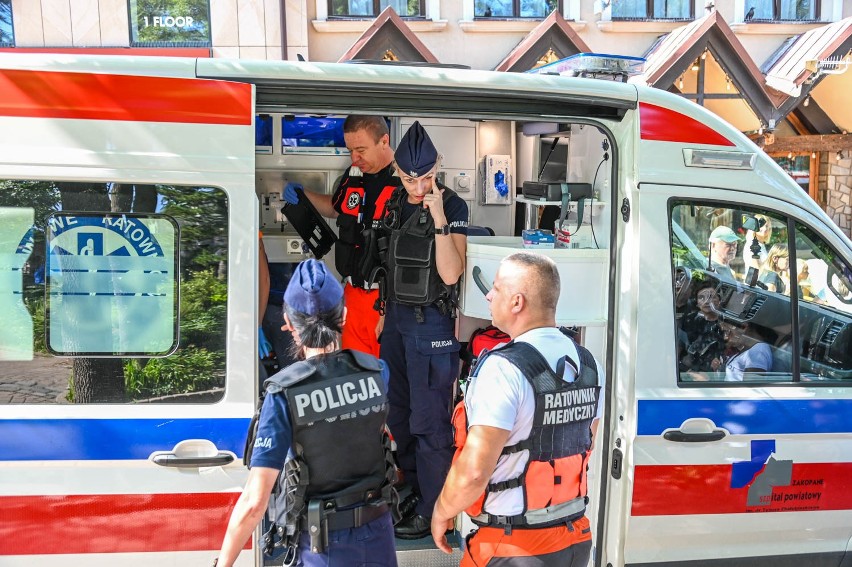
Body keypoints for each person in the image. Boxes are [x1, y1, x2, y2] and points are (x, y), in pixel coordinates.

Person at [214, 259, 398, 567]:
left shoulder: (284, 393)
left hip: (324, 547)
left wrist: (224, 563)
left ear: (287, 321)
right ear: (345, 315)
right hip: (379, 537)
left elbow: (255, 501)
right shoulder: (378, 371)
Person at [431, 251, 604, 566]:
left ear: (517, 302)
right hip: (574, 540)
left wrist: (443, 511)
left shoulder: (503, 369)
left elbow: (473, 472)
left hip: (514, 547)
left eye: (496, 288)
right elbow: (585, 440)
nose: (489, 295)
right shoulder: (588, 364)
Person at [377, 121, 468, 539]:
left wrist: (438, 219)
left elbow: (451, 275)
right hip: (396, 322)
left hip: (431, 325)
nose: (418, 187)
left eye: (427, 177)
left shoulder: (453, 206)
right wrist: (383, 310)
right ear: (396, 170)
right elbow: (389, 261)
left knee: (430, 423)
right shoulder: (394, 201)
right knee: (399, 415)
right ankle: (414, 488)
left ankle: (436, 511)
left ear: (439, 168)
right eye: (411, 178)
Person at [282, 115, 400, 358]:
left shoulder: (406, 180)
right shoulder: (353, 174)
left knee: (387, 378)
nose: (354, 158)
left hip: (388, 300)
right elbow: (338, 209)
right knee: (355, 374)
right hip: (353, 296)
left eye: (361, 150)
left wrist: (391, 309)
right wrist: (304, 194)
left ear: (384, 141)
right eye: (350, 150)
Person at [679, 279, 725, 374]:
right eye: (701, 297)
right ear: (697, 303)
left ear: (719, 300)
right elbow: (677, 351)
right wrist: (691, 373)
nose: (707, 301)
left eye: (711, 297)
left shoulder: (727, 324)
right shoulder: (689, 321)